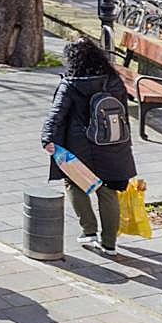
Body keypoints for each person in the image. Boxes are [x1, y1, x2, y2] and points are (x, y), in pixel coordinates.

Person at [41, 37, 136, 255]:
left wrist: (47, 139)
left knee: (75, 184)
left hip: (79, 146)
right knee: (109, 191)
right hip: (112, 142)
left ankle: (89, 230)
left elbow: (56, 115)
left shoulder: (71, 84)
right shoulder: (112, 80)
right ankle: (110, 244)